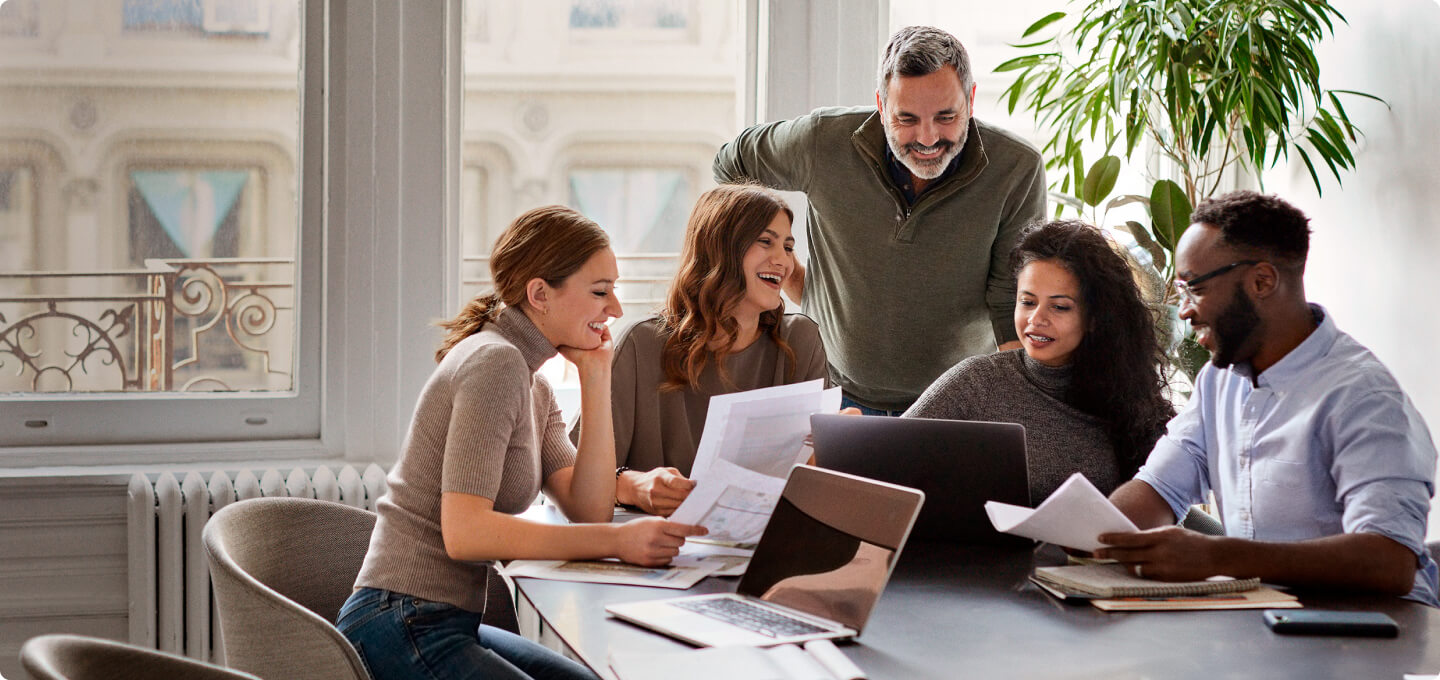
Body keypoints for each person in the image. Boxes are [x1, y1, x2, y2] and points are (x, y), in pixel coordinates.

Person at [337, 206, 707, 680]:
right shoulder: (496, 363)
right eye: (600, 292)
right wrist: (618, 541)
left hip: (441, 621)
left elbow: (588, 507)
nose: (614, 310)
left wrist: (596, 377)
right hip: (401, 621)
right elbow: (465, 533)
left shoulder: (533, 384)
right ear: (539, 294)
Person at [1095, 191, 1439, 606]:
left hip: (1380, 636)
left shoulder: (1364, 398)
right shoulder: (1218, 381)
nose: (1184, 311)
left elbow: (1390, 561)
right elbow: (1157, 489)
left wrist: (1219, 555)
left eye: (1195, 290)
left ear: (1262, 281)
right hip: (1269, 625)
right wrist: (1096, 535)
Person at [713, 25, 1046, 415]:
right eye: (906, 118)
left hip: (953, 408)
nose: (927, 138)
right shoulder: (822, 142)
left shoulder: (1017, 168)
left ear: (971, 100)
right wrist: (779, 258)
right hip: (835, 395)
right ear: (881, 105)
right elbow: (729, 163)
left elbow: (1012, 304)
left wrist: (1020, 413)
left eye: (946, 116)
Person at [570, 184, 829, 516]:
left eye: (789, 246)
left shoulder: (801, 340)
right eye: (765, 241)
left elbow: (815, 478)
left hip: (770, 540)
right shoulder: (642, 344)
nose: (784, 261)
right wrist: (633, 487)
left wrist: (834, 448)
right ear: (719, 247)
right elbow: (572, 475)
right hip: (657, 546)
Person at [904, 220, 1175, 502]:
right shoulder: (976, 382)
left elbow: (1162, 505)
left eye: (1059, 307)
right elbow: (888, 462)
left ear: (1096, 317)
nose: (1036, 320)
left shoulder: (1131, 396)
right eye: (1028, 302)